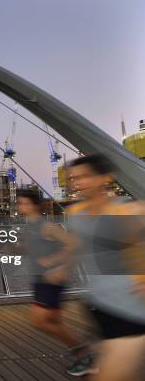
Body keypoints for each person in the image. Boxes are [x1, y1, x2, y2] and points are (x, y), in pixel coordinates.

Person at [66, 154, 145, 381]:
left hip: (131, 309)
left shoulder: (129, 211)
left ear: (106, 178)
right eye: (73, 178)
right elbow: (77, 247)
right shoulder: (75, 214)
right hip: (97, 306)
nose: (77, 183)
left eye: (85, 177)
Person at [16, 192, 93, 376]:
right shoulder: (29, 227)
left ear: (35, 206)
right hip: (40, 279)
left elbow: (76, 246)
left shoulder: (47, 226)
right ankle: (81, 355)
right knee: (55, 322)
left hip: (50, 280)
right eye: (19, 203)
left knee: (39, 321)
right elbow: (30, 250)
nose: (20, 206)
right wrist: (10, 249)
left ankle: (84, 353)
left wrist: (59, 267)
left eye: (24, 203)